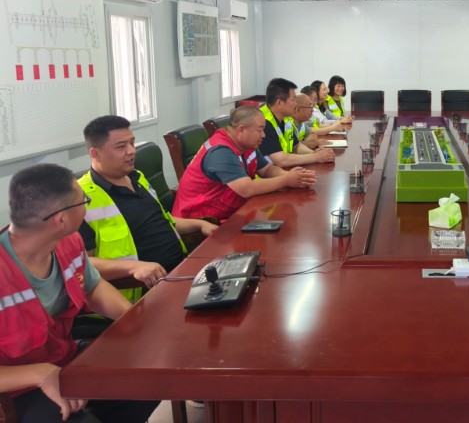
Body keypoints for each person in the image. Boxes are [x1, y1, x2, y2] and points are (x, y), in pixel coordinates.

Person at [0, 163, 158, 423]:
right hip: (19, 387)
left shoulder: (68, 243)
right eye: (84, 201)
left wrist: (134, 320)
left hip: (64, 357)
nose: (86, 207)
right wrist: (39, 374)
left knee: (149, 380)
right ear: (60, 220)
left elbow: (92, 287)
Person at [78, 116, 218, 299]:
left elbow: (160, 221)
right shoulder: (80, 200)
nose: (131, 151)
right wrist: (133, 267)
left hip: (182, 269)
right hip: (143, 290)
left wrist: (199, 224)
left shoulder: (137, 177)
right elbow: (81, 264)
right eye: (121, 147)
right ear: (95, 154)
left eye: (132, 143)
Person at [174, 105, 316, 222]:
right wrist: (286, 180)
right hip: (203, 220)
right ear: (241, 129)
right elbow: (246, 189)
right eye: (260, 130)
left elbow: (266, 169)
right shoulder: (221, 151)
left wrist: (295, 177)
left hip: (233, 211)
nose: (263, 135)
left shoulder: (246, 145)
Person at [259, 78, 336, 168]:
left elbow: (297, 146)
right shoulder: (263, 122)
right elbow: (281, 160)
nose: (296, 104)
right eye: (293, 100)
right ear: (280, 102)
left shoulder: (286, 119)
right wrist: (315, 157)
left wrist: (314, 153)